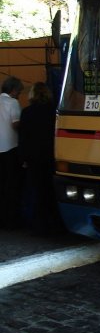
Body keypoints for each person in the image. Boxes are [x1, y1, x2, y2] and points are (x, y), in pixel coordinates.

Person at [19, 82, 63, 235]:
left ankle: (40, 225)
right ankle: (58, 223)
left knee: (38, 191)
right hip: (51, 155)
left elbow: (23, 137)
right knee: (52, 190)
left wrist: (23, 158)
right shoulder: (54, 112)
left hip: (34, 157)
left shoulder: (27, 112)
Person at [0, 76, 24, 229]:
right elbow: (16, 124)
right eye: (19, 92)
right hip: (11, 148)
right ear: (14, 90)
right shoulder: (13, 102)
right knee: (12, 185)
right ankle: (11, 220)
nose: (20, 95)